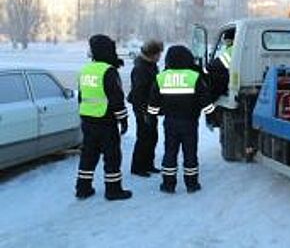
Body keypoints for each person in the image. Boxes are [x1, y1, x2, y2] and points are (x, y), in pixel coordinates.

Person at [147, 45, 215, 194]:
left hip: (170, 122)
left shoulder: (161, 77)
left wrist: (151, 118)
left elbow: (153, 103)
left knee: (170, 152)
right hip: (189, 122)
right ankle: (192, 184)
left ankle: (168, 185)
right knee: (190, 153)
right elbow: (206, 101)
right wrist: (211, 117)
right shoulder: (194, 76)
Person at [75, 34, 132, 201]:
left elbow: (81, 96)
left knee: (88, 156)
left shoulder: (85, 70)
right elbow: (116, 100)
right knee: (112, 156)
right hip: (106, 121)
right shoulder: (108, 71)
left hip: (87, 120)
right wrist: (123, 119)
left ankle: (82, 188)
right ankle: (113, 190)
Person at [128, 40, 164, 177]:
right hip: (143, 108)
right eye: (158, 53)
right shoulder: (141, 68)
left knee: (152, 136)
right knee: (144, 137)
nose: (160, 56)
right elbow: (138, 92)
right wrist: (143, 112)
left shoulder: (151, 65)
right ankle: (138, 167)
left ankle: (149, 164)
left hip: (150, 107)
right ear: (151, 54)